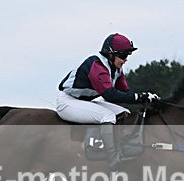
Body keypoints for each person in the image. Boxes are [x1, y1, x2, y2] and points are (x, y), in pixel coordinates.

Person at [57, 33, 160, 170]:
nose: (125, 60)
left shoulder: (116, 68)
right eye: (123, 56)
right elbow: (110, 95)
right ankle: (112, 159)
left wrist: (146, 97)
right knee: (108, 116)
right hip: (68, 102)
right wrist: (138, 97)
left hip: (86, 101)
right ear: (111, 54)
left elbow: (125, 92)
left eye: (127, 56)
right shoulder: (97, 66)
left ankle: (121, 147)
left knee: (124, 112)